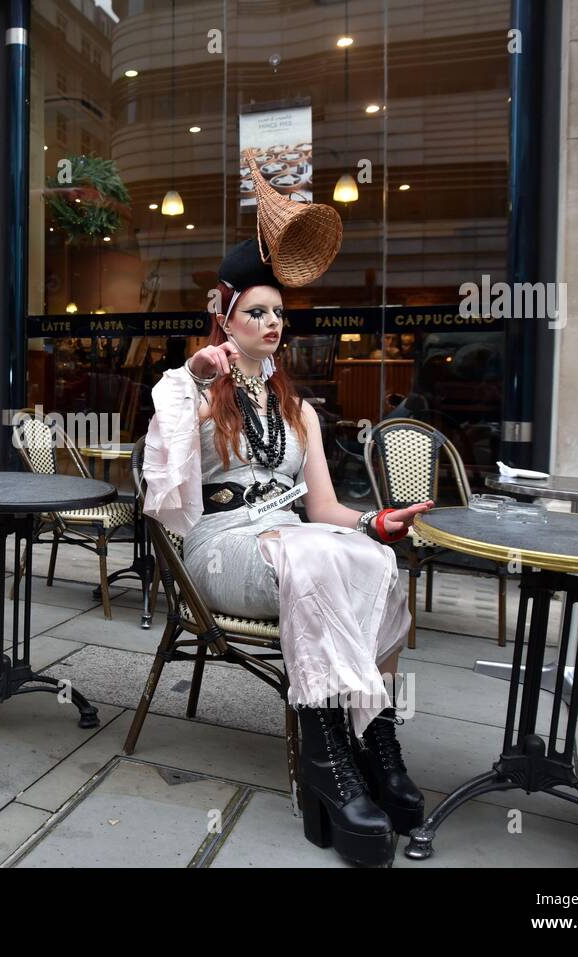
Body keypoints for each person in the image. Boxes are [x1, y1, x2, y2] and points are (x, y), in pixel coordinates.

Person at [143, 236, 432, 867]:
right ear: (225, 319)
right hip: (218, 546)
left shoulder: (297, 410)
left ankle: (376, 748)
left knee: (373, 561)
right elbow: (162, 478)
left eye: (278, 313)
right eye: (257, 312)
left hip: (287, 537)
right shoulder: (184, 388)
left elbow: (325, 509)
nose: (273, 323)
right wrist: (196, 379)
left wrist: (379, 521)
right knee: (317, 558)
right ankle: (330, 762)